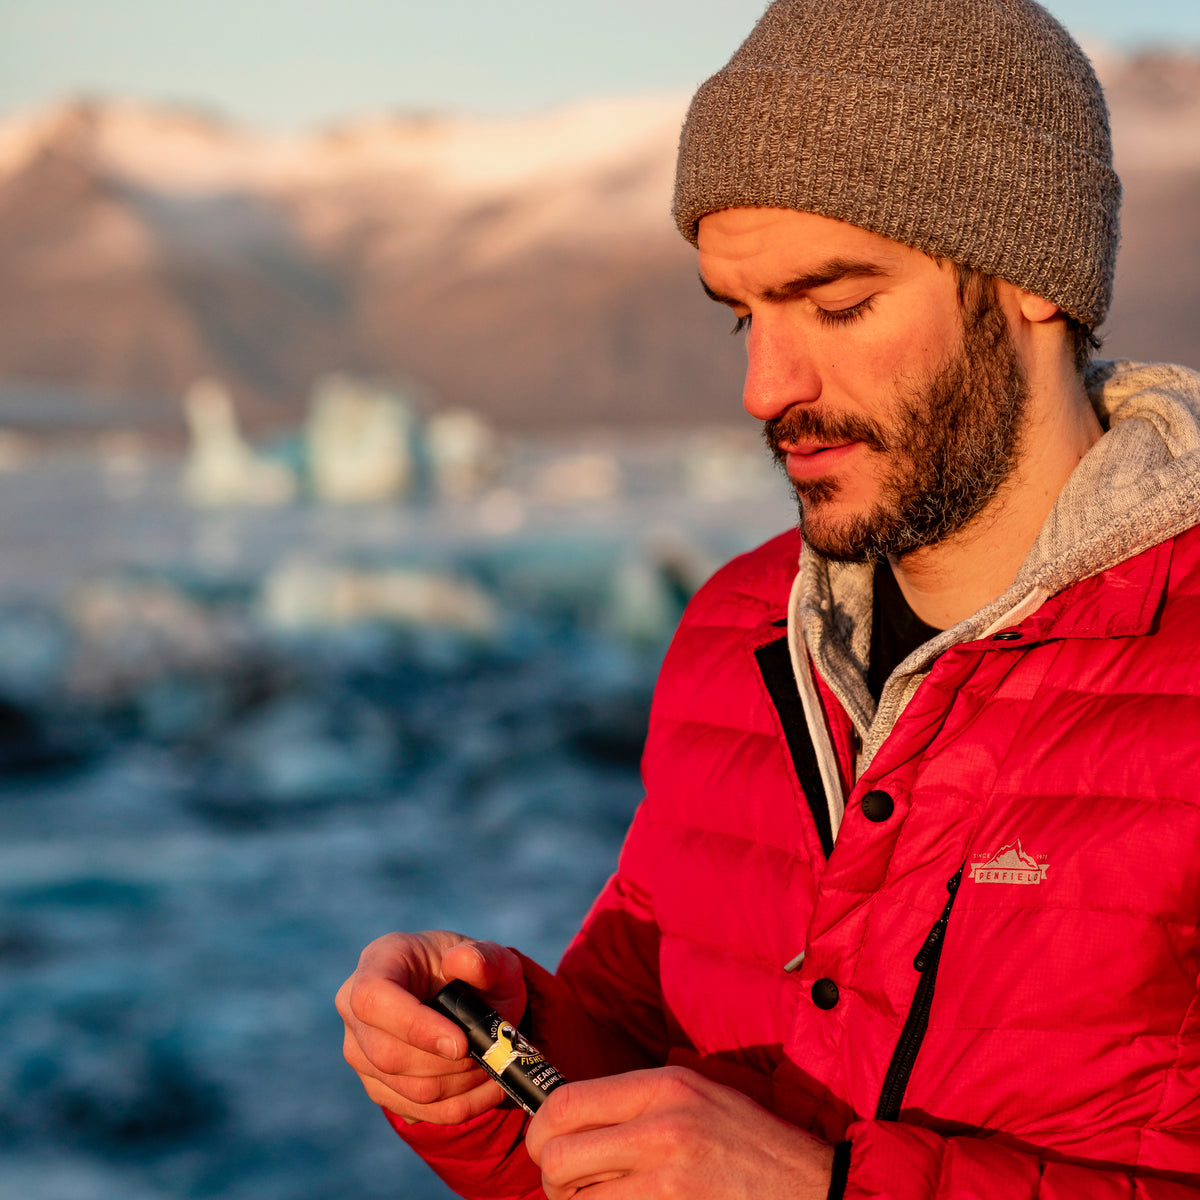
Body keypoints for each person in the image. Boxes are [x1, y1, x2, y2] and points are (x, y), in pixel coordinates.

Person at [336, 0, 1200, 1196]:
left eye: (836, 306)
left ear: (1029, 281)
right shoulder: (738, 632)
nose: (764, 386)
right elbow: (644, 1072)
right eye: (743, 314)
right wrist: (496, 1069)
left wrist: (826, 1189)